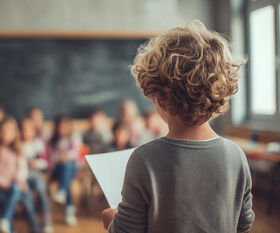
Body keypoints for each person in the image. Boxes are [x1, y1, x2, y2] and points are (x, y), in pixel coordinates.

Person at [101, 21, 255, 233]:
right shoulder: (236, 156)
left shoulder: (144, 159)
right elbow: (244, 224)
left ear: (162, 98)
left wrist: (110, 219)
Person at [0, 117, 41, 233]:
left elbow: (23, 168)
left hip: (15, 185)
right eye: (2, 131)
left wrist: (19, 179)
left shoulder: (18, 148)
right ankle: (8, 225)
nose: (5, 134)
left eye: (9, 131)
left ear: (15, 133)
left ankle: (10, 222)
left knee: (24, 196)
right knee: (8, 200)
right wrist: (5, 184)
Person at [20, 117, 54, 232]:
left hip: (35, 174)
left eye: (29, 129)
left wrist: (36, 163)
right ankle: (34, 224)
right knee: (27, 196)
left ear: (33, 131)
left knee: (41, 190)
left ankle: (46, 220)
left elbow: (45, 162)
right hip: (22, 176)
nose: (26, 132)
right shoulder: (18, 145)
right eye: (23, 129)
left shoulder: (37, 144)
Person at [49, 114, 82, 225]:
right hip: (56, 169)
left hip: (72, 169)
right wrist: (62, 157)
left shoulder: (74, 137)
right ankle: (69, 211)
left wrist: (64, 156)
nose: (62, 129)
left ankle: (62, 192)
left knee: (67, 167)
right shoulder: (52, 141)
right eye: (60, 126)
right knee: (65, 170)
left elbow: (76, 154)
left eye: (64, 126)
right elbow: (51, 157)